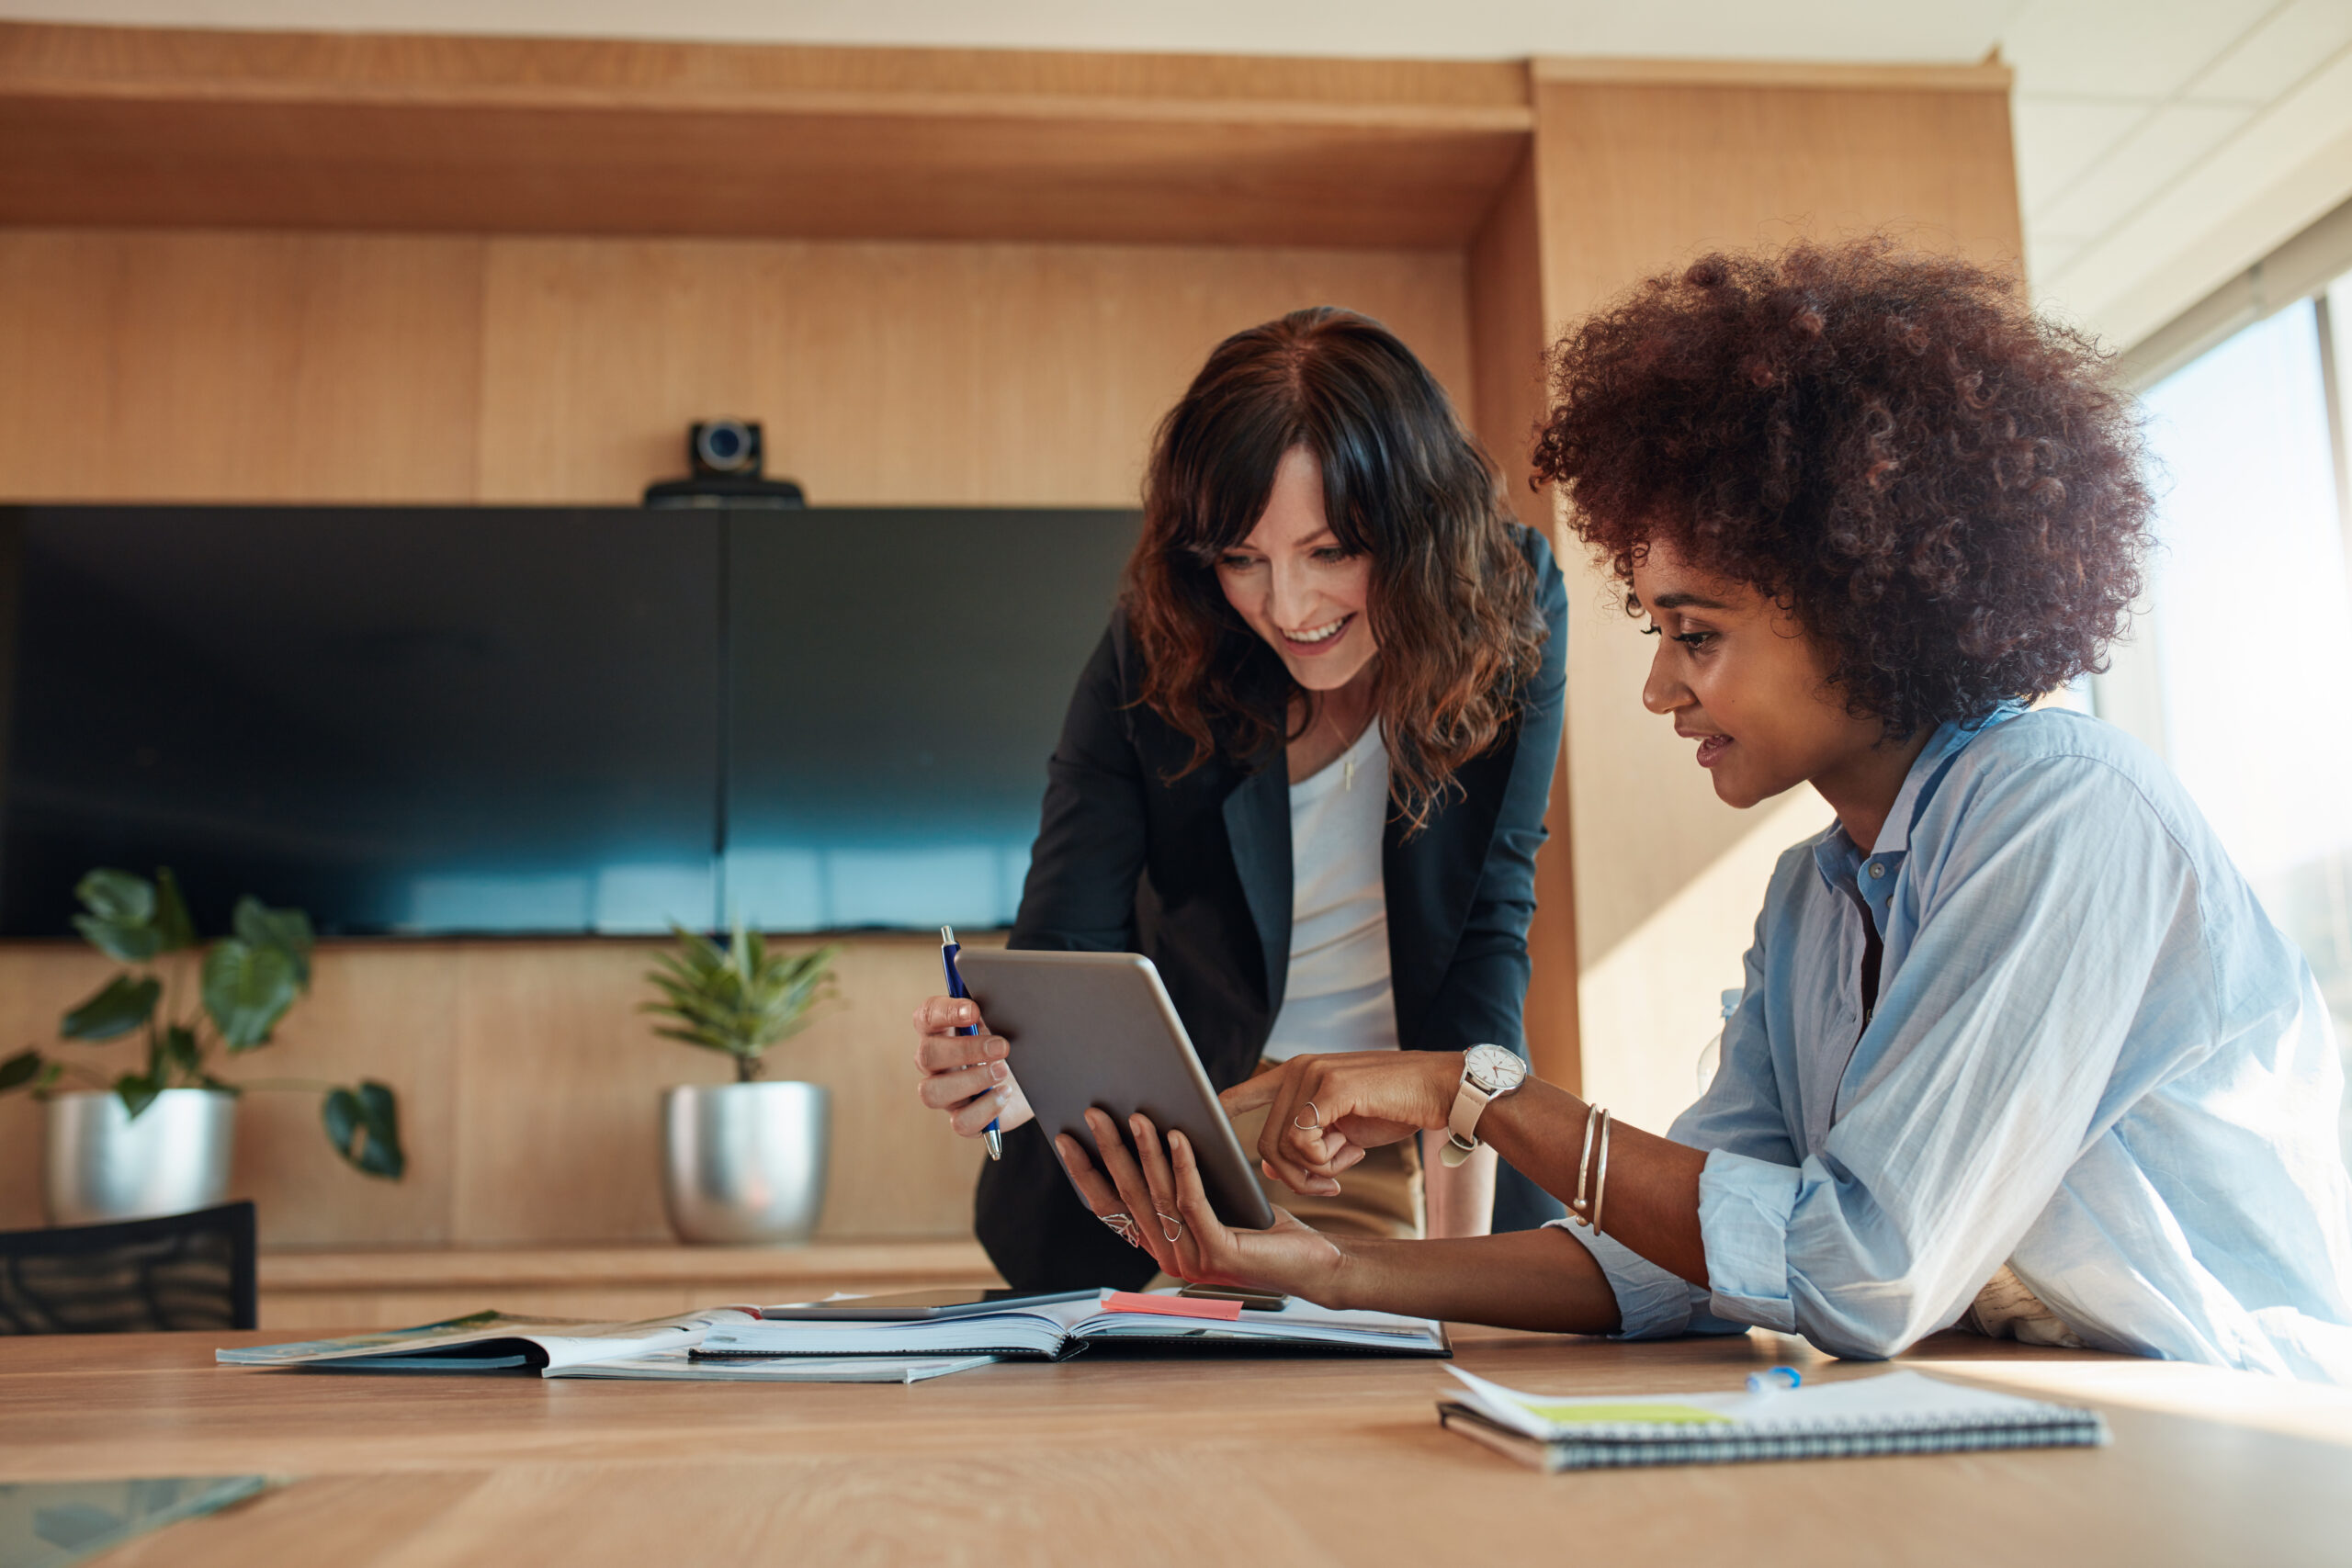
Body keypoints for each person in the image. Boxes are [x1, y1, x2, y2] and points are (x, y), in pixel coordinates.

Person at [1056, 239, 2352, 1382]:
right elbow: (1673, 1263)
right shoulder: (1814, 900)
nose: (1660, 682)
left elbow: (1860, 1268)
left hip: (2230, 1412)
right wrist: (1324, 1272)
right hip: (2018, 1398)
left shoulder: (2064, 813)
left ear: (1863, 602)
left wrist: (1476, 1088)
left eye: (1698, 633)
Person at [911, 307, 1568, 1292]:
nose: (1288, 610)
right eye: (1242, 560)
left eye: (1332, 551)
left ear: (1419, 527)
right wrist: (1006, 1072)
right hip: (1179, 1164)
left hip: (1416, 1150)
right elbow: (1066, 946)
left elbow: (1486, 932)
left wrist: (1461, 1274)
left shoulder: (1507, 605)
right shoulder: (1159, 638)